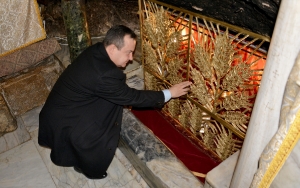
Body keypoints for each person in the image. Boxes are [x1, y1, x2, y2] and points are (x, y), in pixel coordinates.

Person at [38, 25, 191, 179]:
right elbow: (132, 97)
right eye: (128, 52)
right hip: (65, 120)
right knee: (101, 129)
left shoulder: (97, 50)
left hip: (59, 110)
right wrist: (170, 93)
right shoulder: (105, 74)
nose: (131, 58)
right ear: (112, 49)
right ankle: (85, 166)